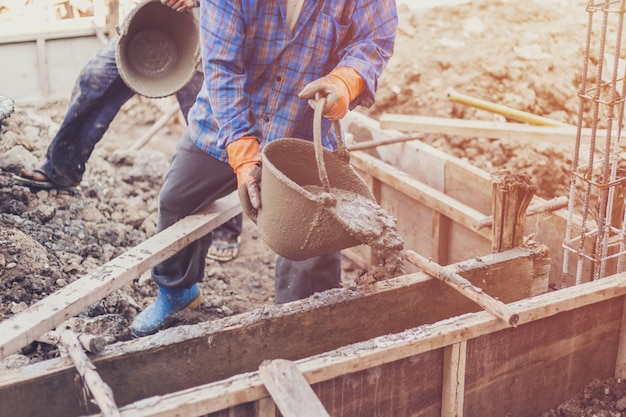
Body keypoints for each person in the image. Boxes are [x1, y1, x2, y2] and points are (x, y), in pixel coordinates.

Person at [130, 0, 398, 337]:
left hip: (301, 130)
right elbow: (223, 69)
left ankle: (304, 326)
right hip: (223, 124)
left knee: (312, 236)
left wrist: (346, 81)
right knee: (177, 200)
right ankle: (177, 291)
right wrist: (243, 153)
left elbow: (375, 40)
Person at [13, 0, 243, 262]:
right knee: (96, 75)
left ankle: (227, 227)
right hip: (149, 23)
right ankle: (62, 168)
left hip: (205, 32)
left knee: (213, 125)